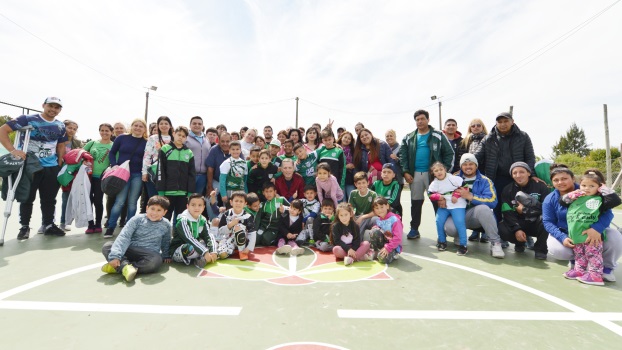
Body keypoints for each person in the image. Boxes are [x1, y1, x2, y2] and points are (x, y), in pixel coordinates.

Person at [0, 97, 68, 240]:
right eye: (50, 106)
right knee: (27, 197)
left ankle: (48, 225)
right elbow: (3, 130)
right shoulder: (27, 119)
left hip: (51, 166)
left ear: (60, 110)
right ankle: (24, 227)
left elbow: (61, 146)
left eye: (57, 107)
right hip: (29, 166)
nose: (53, 109)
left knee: (49, 199)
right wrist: (13, 150)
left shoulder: (60, 126)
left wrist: (59, 164)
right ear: (43, 105)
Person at [543, 165, 622, 282]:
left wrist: (597, 229)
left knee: (615, 236)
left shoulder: (592, 190)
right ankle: (578, 265)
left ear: (573, 179)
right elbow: (548, 222)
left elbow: (608, 214)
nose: (560, 182)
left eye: (564, 178)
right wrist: (562, 237)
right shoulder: (550, 199)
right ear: (552, 182)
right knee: (558, 249)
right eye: (556, 180)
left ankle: (606, 268)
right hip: (569, 234)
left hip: (593, 232)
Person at [399, 109, 454, 239]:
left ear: (428, 120)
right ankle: (414, 229)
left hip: (433, 176)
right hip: (415, 175)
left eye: (422, 119)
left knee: (438, 202)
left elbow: (449, 153)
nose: (420, 121)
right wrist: (406, 172)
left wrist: (442, 172)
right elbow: (403, 156)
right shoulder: (408, 137)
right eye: (417, 119)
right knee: (416, 203)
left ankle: (442, 232)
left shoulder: (438, 135)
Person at [474, 112, 536, 221]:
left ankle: (524, 233)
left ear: (512, 122)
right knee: (497, 206)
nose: (503, 124)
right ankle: (498, 233)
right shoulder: (488, 138)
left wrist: (531, 175)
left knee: (519, 205)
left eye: (506, 121)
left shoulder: (523, 136)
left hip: (518, 178)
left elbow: (530, 158)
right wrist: (463, 168)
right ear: (496, 123)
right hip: (496, 178)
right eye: (500, 122)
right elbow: (476, 157)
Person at [442, 153, 505, 258]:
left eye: (471, 164)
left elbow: (493, 201)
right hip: (456, 214)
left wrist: (471, 197)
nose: (468, 167)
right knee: (450, 228)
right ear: (461, 166)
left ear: (476, 165)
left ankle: (495, 243)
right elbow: (441, 191)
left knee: (484, 209)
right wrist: (441, 199)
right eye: (465, 164)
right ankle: (458, 235)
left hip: (474, 216)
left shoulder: (485, 181)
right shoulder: (452, 179)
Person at [100, 196, 172, 282]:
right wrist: (115, 255)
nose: (154, 213)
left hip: (148, 254)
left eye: (159, 210)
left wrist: (166, 255)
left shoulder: (166, 224)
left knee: (156, 260)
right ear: (147, 208)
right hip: (130, 249)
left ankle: (121, 267)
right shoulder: (137, 219)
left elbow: (166, 241)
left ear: (165, 212)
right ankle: (125, 267)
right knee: (107, 246)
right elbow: (124, 236)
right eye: (152, 209)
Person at [104, 119, 148, 238]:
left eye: (141, 126)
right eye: (135, 125)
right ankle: (110, 227)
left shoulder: (146, 142)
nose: (138, 128)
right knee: (119, 202)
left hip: (137, 175)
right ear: (131, 126)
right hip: (122, 174)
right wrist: (114, 165)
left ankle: (129, 229)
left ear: (144, 129)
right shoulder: (121, 138)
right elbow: (112, 153)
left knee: (132, 203)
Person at [498, 162, 550, 260]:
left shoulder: (541, 187)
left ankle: (540, 249)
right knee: (502, 228)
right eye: (515, 173)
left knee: (545, 220)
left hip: (536, 222)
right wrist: (517, 229)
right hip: (519, 222)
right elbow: (507, 212)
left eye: (522, 172)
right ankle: (520, 243)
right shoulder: (507, 189)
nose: (518, 175)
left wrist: (525, 210)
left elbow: (546, 209)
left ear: (529, 173)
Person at [427, 161, 468, 255]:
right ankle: (442, 241)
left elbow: (465, 187)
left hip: (457, 204)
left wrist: (456, 195)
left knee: (459, 222)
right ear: (433, 173)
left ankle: (463, 245)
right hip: (444, 206)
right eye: (436, 171)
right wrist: (439, 197)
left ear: (445, 170)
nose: (439, 172)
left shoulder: (454, 179)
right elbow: (430, 194)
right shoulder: (434, 183)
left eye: (441, 169)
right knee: (438, 221)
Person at [156, 126, 196, 223]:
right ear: (173, 134)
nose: (180, 137)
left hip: (183, 193)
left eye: (183, 136)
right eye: (179, 134)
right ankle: (163, 237)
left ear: (186, 138)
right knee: (165, 217)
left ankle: (178, 237)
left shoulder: (189, 152)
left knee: (180, 218)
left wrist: (190, 192)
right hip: (167, 192)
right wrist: (161, 191)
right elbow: (160, 171)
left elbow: (192, 174)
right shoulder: (165, 149)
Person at [459, 119, 489, 242]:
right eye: (473, 126)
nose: (475, 127)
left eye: (478, 125)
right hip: (469, 175)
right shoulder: (466, 141)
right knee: (471, 202)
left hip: (482, 175)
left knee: (484, 203)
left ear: (483, 127)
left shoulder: (488, 139)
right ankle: (475, 231)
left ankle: (485, 231)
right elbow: (461, 157)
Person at [169, 194, 218, 268]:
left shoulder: (202, 219)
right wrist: (205, 252)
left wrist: (213, 251)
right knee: (189, 248)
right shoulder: (183, 220)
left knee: (214, 243)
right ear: (187, 206)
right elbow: (189, 239)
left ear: (204, 207)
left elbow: (208, 235)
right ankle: (203, 257)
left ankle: (203, 258)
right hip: (180, 249)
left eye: (199, 205)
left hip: (196, 246)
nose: (196, 208)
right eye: (193, 205)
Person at [84, 123, 114, 234]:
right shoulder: (92, 143)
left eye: (107, 130)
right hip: (88, 176)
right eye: (102, 130)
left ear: (111, 132)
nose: (104, 133)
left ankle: (98, 224)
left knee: (98, 201)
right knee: (88, 201)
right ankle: (90, 224)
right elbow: (81, 154)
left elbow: (115, 161)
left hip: (102, 178)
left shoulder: (114, 145)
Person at [217, 191, 257, 261]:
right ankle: (232, 249)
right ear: (231, 202)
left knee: (238, 227)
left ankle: (241, 252)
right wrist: (231, 224)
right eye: (236, 201)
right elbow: (220, 230)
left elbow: (252, 233)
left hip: (243, 242)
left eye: (241, 201)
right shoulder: (226, 214)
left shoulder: (247, 216)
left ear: (245, 204)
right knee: (222, 255)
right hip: (228, 239)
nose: (238, 203)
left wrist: (248, 248)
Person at [59, 119, 83, 232]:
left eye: (74, 129)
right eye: (69, 128)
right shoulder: (56, 140)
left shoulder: (77, 143)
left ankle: (64, 222)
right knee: (49, 198)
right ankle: (46, 223)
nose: (71, 130)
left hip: (69, 174)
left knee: (66, 198)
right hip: (56, 170)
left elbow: (81, 157)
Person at [142, 116, 173, 198]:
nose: (164, 125)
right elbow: (147, 155)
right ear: (158, 126)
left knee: (166, 199)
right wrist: (144, 172)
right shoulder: (153, 138)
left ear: (170, 126)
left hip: (170, 172)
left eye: (166, 123)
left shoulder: (174, 138)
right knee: (154, 198)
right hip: (154, 171)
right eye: (161, 123)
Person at [368, 198, 403, 264]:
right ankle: (374, 252)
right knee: (374, 231)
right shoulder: (379, 219)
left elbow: (398, 238)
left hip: (393, 246)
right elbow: (381, 229)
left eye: (382, 207)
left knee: (382, 259)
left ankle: (394, 253)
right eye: (377, 208)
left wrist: (388, 248)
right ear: (374, 210)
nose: (380, 210)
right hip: (384, 243)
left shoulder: (394, 220)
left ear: (387, 206)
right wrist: (376, 228)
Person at [255, 182, 288, 246]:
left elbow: (292, 209)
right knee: (255, 240)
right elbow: (258, 219)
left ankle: (279, 239)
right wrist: (255, 230)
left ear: (275, 192)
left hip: (274, 228)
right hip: (263, 228)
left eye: (271, 191)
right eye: (266, 192)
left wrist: (284, 211)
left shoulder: (281, 200)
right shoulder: (262, 204)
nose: (269, 194)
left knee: (265, 240)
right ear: (263, 193)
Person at [185, 116, 212, 196]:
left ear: (202, 126)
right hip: (188, 175)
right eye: (194, 123)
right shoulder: (185, 138)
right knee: (185, 199)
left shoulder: (206, 139)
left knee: (197, 199)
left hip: (202, 176)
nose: (197, 125)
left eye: (199, 124)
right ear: (190, 125)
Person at [218, 140, 248, 205]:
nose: (235, 151)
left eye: (237, 149)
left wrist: (246, 192)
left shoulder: (244, 163)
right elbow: (222, 180)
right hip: (230, 191)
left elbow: (245, 180)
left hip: (241, 191)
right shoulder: (226, 163)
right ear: (229, 150)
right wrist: (223, 194)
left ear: (240, 150)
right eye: (233, 149)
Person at [385, 129, 404, 212]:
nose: (389, 138)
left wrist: (397, 158)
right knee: (386, 201)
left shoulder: (401, 148)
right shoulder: (384, 148)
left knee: (396, 202)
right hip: (387, 180)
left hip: (398, 179)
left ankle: (399, 219)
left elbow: (404, 162)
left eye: (391, 135)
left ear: (395, 137)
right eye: (387, 136)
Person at [337, 131, 356, 201]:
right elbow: (334, 164)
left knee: (352, 196)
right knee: (342, 198)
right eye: (345, 137)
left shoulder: (353, 150)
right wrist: (346, 167)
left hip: (349, 177)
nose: (346, 139)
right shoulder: (336, 149)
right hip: (339, 177)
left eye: (349, 139)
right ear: (341, 137)